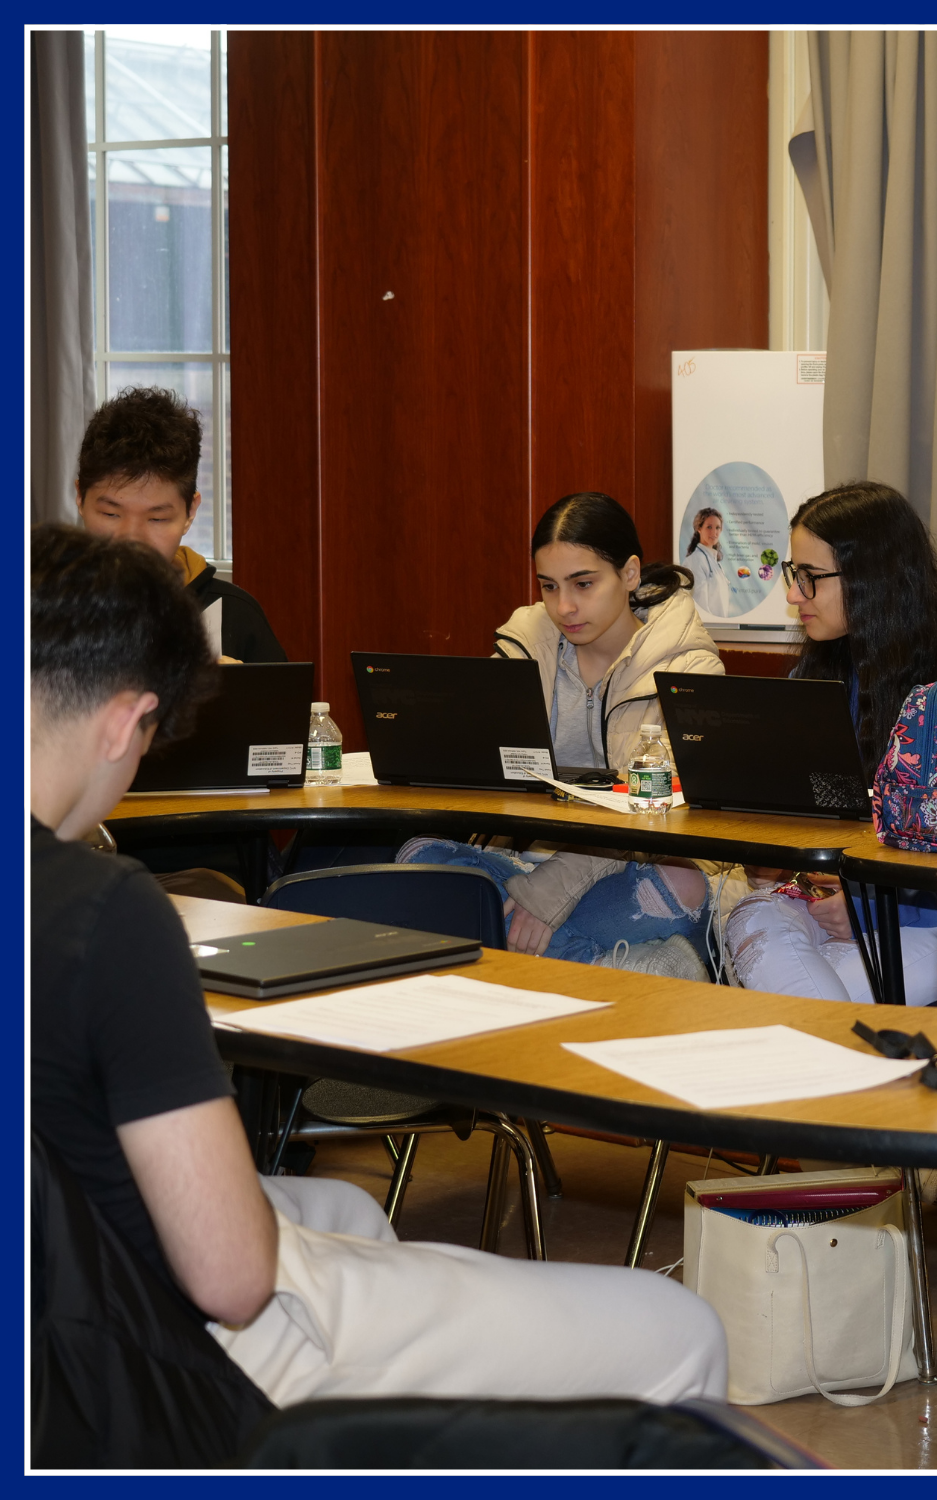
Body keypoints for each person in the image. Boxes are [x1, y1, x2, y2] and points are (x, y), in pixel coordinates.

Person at [30, 522, 728, 1410]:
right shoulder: (111, 911)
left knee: (354, 1215)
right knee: (683, 1329)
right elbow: (234, 1279)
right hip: (149, 1340)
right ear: (127, 719)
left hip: (61, 1288)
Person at [725, 481, 937, 1006]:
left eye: (810, 579)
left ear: (871, 578)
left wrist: (871, 905)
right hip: (846, 904)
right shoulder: (831, 655)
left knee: (797, 995)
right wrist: (771, 857)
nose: (792, 595)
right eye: (792, 574)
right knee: (751, 916)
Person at [399, 493, 725, 979]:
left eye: (583, 584)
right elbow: (472, 767)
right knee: (419, 855)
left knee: (683, 883)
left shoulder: (689, 667)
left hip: (633, 874)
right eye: (549, 587)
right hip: (519, 868)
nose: (564, 607)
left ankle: (517, 945)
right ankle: (617, 964)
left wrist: (548, 894)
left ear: (630, 574)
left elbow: (659, 814)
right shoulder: (522, 648)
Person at [76, 386, 286, 664]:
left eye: (157, 519)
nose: (131, 539)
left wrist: (236, 698)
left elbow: (283, 707)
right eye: (111, 514)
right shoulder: (35, 605)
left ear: (190, 512)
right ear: (79, 498)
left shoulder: (235, 616)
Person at [683, 505, 731, 616]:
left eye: (717, 528)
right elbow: (700, 605)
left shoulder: (716, 564)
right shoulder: (695, 560)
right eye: (709, 527)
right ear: (699, 529)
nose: (714, 532)